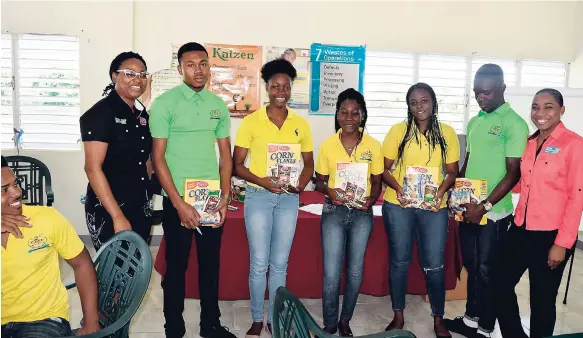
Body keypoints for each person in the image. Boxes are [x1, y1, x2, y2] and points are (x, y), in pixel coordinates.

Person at [149, 42, 234, 338]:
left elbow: (226, 156)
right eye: (190, 65)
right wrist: (178, 203)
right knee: (176, 269)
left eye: (203, 64)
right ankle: (174, 327)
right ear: (179, 68)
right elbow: (157, 159)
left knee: (210, 266)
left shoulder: (217, 105)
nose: (198, 71)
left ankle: (210, 324)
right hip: (179, 201)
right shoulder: (164, 103)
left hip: (210, 199)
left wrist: (224, 198)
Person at [444, 64, 529, 338]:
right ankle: (470, 320)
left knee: (487, 270)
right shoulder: (476, 120)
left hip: (493, 211)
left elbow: (513, 171)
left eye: (488, 93)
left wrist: (485, 206)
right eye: (477, 93)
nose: (482, 98)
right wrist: (458, 197)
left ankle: (486, 327)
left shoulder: (514, 123)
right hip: (469, 208)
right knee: (471, 266)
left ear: (502, 89)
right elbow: (469, 161)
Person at [233, 58, 314, 337]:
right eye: (275, 86)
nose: (281, 91)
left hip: (288, 200)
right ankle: (257, 318)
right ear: (267, 88)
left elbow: (309, 165)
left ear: (292, 89)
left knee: (280, 264)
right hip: (258, 196)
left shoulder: (300, 125)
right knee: (259, 263)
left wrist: (300, 185)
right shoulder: (251, 122)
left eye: (286, 86)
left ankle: (276, 318)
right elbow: (238, 165)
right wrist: (263, 182)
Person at [496, 89, 583, 338]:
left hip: (551, 234)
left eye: (549, 107)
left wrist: (562, 243)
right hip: (521, 228)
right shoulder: (530, 142)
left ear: (561, 110)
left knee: (542, 300)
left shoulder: (574, 144)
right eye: (535, 107)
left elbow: (577, 196)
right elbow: (522, 181)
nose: (540, 113)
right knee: (500, 283)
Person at [381, 83, 459, 338]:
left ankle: (438, 318)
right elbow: (384, 169)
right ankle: (398, 314)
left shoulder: (447, 133)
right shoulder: (398, 131)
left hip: (433, 206)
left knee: (434, 264)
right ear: (408, 105)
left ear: (434, 102)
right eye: (413, 102)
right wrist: (398, 189)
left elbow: (452, 172)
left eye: (424, 101)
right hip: (399, 204)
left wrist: (440, 193)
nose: (419, 106)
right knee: (399, 262)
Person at [1, 156, 100, 337]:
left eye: (16, 184)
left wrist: (91, 322)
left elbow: (82, 263)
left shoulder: (46, 219)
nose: (16, 193)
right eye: (3, 190)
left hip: (42, 321)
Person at [314, 88, 383, 336]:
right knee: (331, 273)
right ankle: (330, 322)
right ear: (337, 115)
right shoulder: (328, 145)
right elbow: (319, 180)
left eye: (355, 113)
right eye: (344, 112)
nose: (349, 118)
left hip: (362, 214)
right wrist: (329, 191)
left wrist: (372, 199)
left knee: (355, 271)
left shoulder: (374, 146)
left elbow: (377, 182)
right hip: (334, 211)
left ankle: (345, 320)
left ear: (363, 115)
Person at [80, 51, 153, 250]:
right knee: (114, 273)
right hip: (109, 208)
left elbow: (145, 158)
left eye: (142, 74)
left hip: (139, 204)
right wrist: (117, 216)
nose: (138, 79)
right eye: (130, 73)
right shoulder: (100, 114)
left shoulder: (141, 115)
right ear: (115, 76)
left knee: (138, 269)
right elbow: (92, 168)